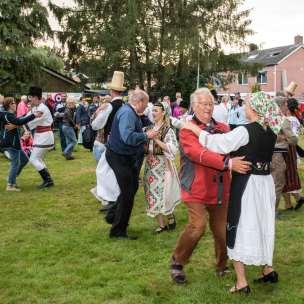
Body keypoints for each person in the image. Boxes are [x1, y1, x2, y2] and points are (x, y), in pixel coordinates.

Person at [183, 91, 283, 294]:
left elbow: (216, 144)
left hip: (247, 184)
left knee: (237, 226)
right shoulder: (271, 129)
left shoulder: (246, 131)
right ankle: (268, 269)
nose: (244, 107)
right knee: (263, 223)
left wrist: (192, 127)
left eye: (246, 104)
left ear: (253, 109)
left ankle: (241, 281)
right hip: (265, 184)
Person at [170, 88, 251, 284]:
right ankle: (177, 262)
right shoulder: (187, 128)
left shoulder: (223, 127)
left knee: (223, 231)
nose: (207, 107)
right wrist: (228, 163)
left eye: (210, 103)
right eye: (203, 104)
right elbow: (199, 154)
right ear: (194, 106)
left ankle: (221, 265)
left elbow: (233, 147)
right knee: (197, 226)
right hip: (196, 187)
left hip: (221, 188)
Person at [104, 89, 158, 240]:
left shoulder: (128, 111)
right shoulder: (128, 113)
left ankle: (112, 215)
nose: (146, 107)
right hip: (118, 156)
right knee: (128, 192)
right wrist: (146, 135)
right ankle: (118, 231)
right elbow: (127, 137)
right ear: (139, 102)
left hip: (122, 155)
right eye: (146, 103)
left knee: (132, 186)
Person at [143, 102, 180, 233]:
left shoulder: (167, 130)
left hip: (163, 165)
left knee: (164, 194)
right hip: (150, 165)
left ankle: (169, 215)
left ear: (163, 112)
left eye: (156, 110)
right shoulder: (148, 128)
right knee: (152, 194)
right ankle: (161, 225)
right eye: (152, 110)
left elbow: (173, 148)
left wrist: (157, 140)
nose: (153, 113)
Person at [1, 97, 41, 191]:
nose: (16, 104)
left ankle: (12, 178)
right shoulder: (8, 115)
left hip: (14, 143)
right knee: (15, 163)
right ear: (10, 105)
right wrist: (33, 115)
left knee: (24, 159)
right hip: (11, 143)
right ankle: (10, 185)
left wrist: (28, 114)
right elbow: (19, 121)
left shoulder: (8, 115)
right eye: (14, 103)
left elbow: (17, 121)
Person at [270, 96, 298, 217]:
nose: (286, 107)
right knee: (278, 183)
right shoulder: (283, 120)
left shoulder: (268, 119)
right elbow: (294, 139)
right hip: (279, 154)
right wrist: (285, 138)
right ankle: (273, 211)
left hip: (267, 154)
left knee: (271, 183)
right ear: (282, 106)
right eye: (285, 105)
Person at [26, 86, 55, 189]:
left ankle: (48, 180)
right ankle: (48, 180)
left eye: (31, 97)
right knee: (38, 159)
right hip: (41, 136)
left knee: (33, 159)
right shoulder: (35, 108)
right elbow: (26, 117)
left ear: (35, 97)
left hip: (45, 136)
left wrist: (17, 123)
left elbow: (30, 121)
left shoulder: (42, 108)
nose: (30, 99)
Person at [282, 98, 304, 210]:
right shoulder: (296, 119)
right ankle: (289, 203)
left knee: (286, 176)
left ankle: (295, 200)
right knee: (288, 176)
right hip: (294, 149)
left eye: (285, 105)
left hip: (288, 148)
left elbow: (287, 136)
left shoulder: (286, 119)